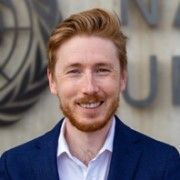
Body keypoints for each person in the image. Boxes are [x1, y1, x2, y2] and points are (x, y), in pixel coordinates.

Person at [0, 8, 180, 180]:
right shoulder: (13, 167)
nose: (89, 87)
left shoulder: (163, 163)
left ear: (123, 78)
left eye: (102, 70)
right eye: (74, 71)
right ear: (52, 80)